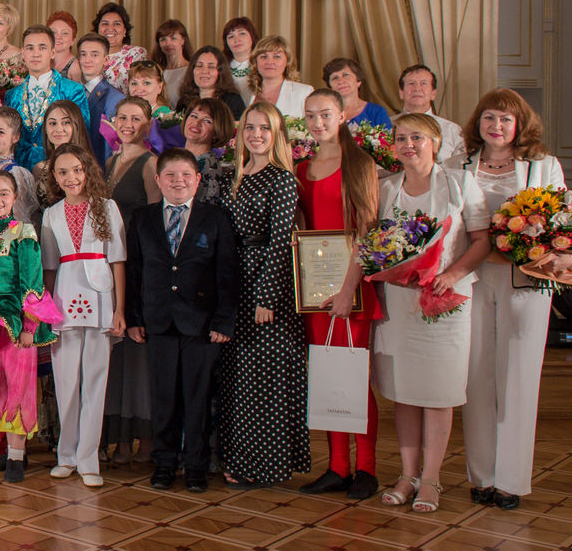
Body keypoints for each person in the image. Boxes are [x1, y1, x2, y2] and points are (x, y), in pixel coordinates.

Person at [456, 89, 572, 510]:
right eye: (490, 117)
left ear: (519, 125)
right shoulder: (458, 164)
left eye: (506, 119)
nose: (497, 126)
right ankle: (482, 476)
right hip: (471, 281)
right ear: (479, 122)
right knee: (476, 376)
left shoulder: (544, 166)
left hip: (526, 284)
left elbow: (567, 224)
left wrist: (568, 257)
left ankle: (510, 480)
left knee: (519, 379)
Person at [372, 114, 491, 513]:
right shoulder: (386, 188)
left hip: (446, 300)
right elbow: (374, 244)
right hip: (398, 301)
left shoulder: (460, 183)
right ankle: (407, 475)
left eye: (417, 137)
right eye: (401, 138)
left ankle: (432, 478)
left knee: (438, 392)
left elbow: (482, 240)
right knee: (404, 391)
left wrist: (452, 274)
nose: (409, 145)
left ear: (436, 142)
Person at [125, 148, 238, 494]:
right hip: (157, 321)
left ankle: (196, 466)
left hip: (201, 324)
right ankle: (164, 463)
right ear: (158, 180)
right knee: (163, 397)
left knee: (197, 397)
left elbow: (227, 273)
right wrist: (134, 317)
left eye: (186, 175)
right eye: (170, 175)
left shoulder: (215, 218)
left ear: (198, 180)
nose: (178, 182)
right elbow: (134, 272)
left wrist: (223, 321)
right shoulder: (142, 218)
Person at [296, 88, 383, 500]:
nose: (318, 123)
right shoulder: (301, 167)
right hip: (315, 289)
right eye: (311, 116)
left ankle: (366, 467)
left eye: (325, 114)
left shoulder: (359, 163)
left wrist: (348, 289)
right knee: (327, 376)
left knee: (353, 377)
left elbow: (367, 231)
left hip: (351, 287)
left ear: (343, 115)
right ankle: (337, 466)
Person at [217, 103, 308, 489]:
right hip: (234, 277)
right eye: (250, 128)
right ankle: (239, 457)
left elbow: (280, 241)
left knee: (265, 378)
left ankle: (267, 464)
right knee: (237, 377)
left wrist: (266, 298)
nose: (256, 135)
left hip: (266, 284)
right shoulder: (234, 175)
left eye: (264, 128)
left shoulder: (282, 179)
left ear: (277, 135)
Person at [41, 145, 126, 488]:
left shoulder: (107, 207)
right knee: (65, 383)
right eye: (62, 172)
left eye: (76, 169)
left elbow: (117, 260)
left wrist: (120, 309)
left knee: (95, 381)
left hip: (101, 298)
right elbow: (49, 267)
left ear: (87, 170)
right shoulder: (51, 214)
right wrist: (46, 310)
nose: (71, 177)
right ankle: (66, 456)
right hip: (64, 298)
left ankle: (89, 459)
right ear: (54, 177)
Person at [0, 171, 58, 483]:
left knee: (20, 386)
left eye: (4, 193)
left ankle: (17, 457)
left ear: (15, 197)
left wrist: (30, 325)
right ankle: (12, 451)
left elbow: (32, 281)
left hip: (17, 323)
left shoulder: (23, 232)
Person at [101, 97, 158, 467]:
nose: (127, 124)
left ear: (148, 124)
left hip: (139, 264)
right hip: (112, 265)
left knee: (140, 355)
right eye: (122, 117)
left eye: (136, 118)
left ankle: (147, 440)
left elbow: (155, 220)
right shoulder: (110, 162)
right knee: (118, 356)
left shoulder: (150, 164)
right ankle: (120, 438)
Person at [5, 25, 91, 167]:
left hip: (58, 167)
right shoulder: (12, 95)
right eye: (30, 48)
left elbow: (81, 135)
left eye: (42, 48)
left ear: (52, 53)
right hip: (19, 169)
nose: (36, 54)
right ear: (23, 53)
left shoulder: (72, 90)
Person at [30, 100, 93, 215]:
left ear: (76, 125)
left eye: (66, 122)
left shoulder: (87, 165)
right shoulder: (39, 168)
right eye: (53, 123)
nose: (59, 129)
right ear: (45, 128)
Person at [397, 64, 467, 161]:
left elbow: (460, 165)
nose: (417, 89)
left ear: (433, 93)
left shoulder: (452, 130)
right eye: (411, 83)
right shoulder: (386, 126)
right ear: (401, 93)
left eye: (423, 83)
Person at [77, 33, 126, 164]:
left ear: (106, 59)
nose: (87, 60)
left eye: (94, 55)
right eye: (83, 54)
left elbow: (112, 145)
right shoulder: (72, 92)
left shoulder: (116, 99)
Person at [180, 98, 236, 207]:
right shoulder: (178, 157)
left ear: (216, 132)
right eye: (194, 116)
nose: (196, 123)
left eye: (207, 121)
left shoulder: (208, 168)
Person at [247, 35, 315, 119]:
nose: (269, 62)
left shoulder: (304, 92)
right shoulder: (248, 93)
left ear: (287, 61)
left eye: (277, 56)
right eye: (264, 57)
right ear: (255, 62)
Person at [176, 46, 246, 120]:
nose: (204, 71)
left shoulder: (232, 100)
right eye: (199, 66)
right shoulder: (184, 101)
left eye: (211, 67)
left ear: (220, 72)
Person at [91, 2, 147, 93]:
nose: (110, 28)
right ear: (97, 29)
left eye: (117, 24)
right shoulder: (88, 55)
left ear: (125, 31)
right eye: (105, 23)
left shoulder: (136, 54)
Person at [323, 58, 392, 129]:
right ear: (330, 87)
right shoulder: (324, 114)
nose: (340, 81)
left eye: (346, 75)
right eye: (335, 78)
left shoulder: (376, 112)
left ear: (358, 81)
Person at [153, 20, 194, 105]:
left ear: (183, 40)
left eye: (173, 38)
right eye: (163, 39)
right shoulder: (156, 70)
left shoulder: (192, 70)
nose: (168, 43)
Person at [221, 17, 259, 101]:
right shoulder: (221, 66)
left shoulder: (262, 64)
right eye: (231, 36)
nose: (236, 40)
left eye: (242, 33)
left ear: (252, 36)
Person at [46, 11, 80, 81]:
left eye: (65, 33)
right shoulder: (45, 60)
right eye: (54, 32)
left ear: (73, 40)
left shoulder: (75, 68)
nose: (58, 37)